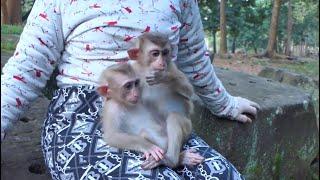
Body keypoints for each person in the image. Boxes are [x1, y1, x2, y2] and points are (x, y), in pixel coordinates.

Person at [1, 0, 260, 179]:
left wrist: (224, 104)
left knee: (221, 174)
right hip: (82, 117)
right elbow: (26, 69)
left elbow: (194, 59)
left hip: (152, 115)